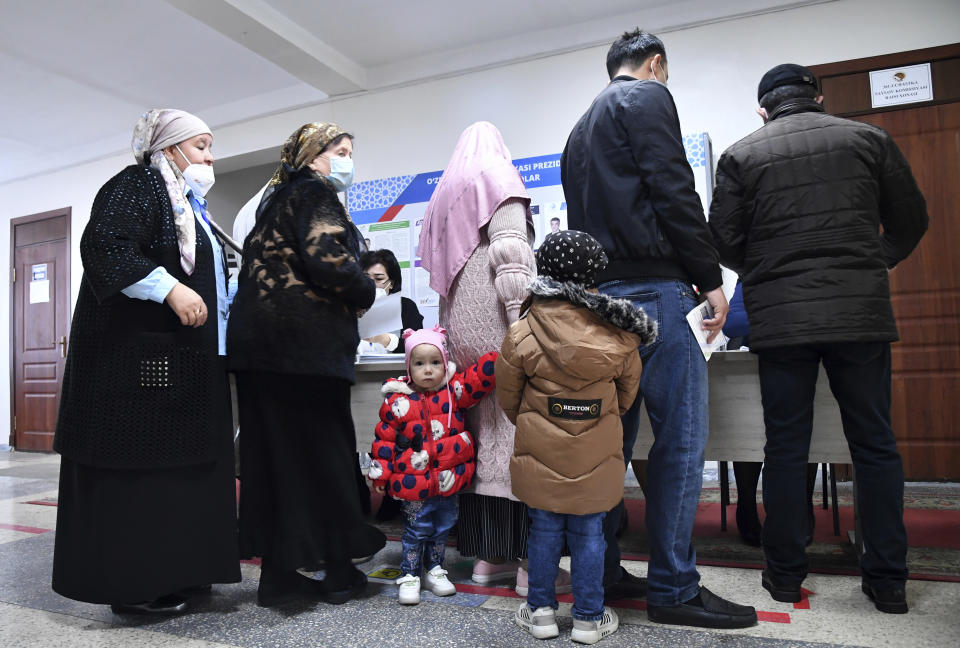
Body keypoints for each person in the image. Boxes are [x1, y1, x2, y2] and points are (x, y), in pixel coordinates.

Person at [709, 63, 928, 613]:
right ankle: (887, 582)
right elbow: (913, 219)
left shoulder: (742, 155)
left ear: (763, 109)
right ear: (820, 98)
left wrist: (766, 269)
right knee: (874, 446)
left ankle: (784, 575)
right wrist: (873, 260)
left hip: (782, 324)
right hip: (860, 316)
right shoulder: (869, 139)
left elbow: (724, 241)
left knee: (785, 445)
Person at [561, 28, 757, 628]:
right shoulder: (646, 97)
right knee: (679, 442)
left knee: (604, 448)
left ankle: (603, 570)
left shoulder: (578, 129)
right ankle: (674, 587)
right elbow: (675, 190)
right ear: (654, 64)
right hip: (656, 293)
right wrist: (710, 276)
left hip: (599, 301)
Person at [52, 109, 241, 614]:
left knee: (186, 470)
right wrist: (169, 287)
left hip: (186, 362)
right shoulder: (137, 184)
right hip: (138, 368)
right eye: (201, 146)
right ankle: (136, 588)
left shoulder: (188, 203)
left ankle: (187, 569)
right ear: (170, 147)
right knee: (145, 473)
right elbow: (106, 247)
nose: (209, 156)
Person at [228, 122, 386, 607]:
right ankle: (338, 572)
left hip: (258, 353)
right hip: (304, 353)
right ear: (313, 157)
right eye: (339, 151)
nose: (346, 160)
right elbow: (329, 260)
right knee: (327, 457)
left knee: (274, 463)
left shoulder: (273, 202)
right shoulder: (315, 193)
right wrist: (367, 288)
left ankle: (278, 576)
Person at [497, 231, 656, 644]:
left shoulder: (522, 331)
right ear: (593, 279)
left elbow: (508, 398)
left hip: (540, 450)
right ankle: (588, 618)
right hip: (596, 451)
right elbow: (626, 396)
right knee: (589, 532)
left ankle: (541, 612)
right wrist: (597, 419)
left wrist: (537, 420)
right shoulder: (619, 333)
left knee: (544, 531)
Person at [419, 122, 541, 590]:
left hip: (460, 329)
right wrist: (519, 319)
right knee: (518, 431)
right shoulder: (498, 177)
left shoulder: (444, 194)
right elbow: (511, 254)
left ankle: (490, 560)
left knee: (479, 432)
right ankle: (534, 565)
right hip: (496, 317)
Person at [367, 326, 497, 605]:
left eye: (435, 362)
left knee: (443, 527)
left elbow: (476, 380)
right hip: (414, 482)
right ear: (409, 366)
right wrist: (381, 472)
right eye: (420, 363)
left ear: (445, 363)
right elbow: (384, 440)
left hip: (447, 478)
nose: (428, 370)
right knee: (416, 529)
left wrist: (498, 356)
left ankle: (435, 568)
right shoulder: (397, 401)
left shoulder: (453, 394)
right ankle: (410, 573)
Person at [360, 248, 425, 353]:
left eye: (379, 279)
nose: (370, 284)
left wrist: (386, 340)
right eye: (365, 278)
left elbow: (418, 347)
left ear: (392, 283)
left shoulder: (406, 306)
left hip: (395, 368)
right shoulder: (352, 307)